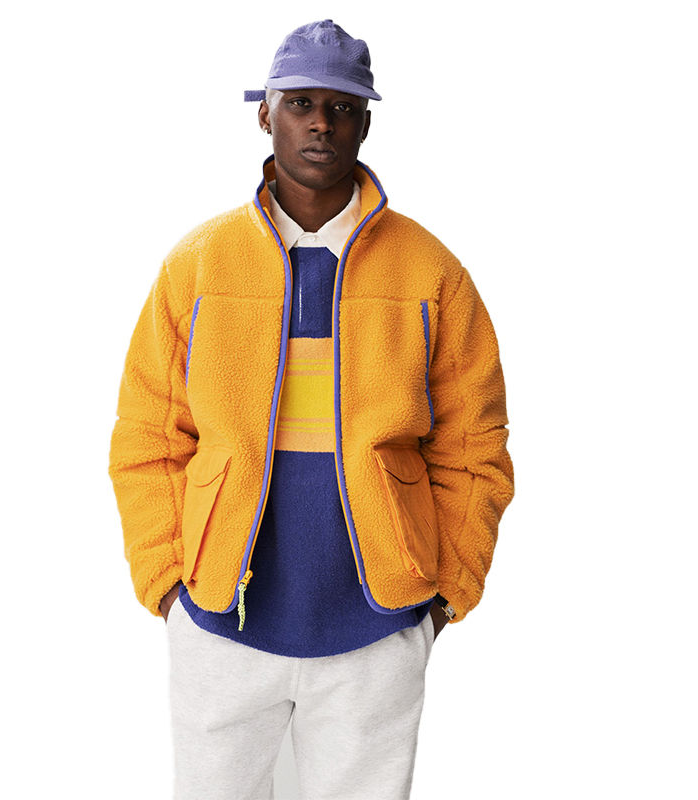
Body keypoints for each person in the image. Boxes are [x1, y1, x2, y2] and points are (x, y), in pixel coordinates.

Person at [108, 19, 514, 800]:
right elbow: (148, 438)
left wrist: (443, 598)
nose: (321, 123)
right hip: (220, 623)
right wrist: (167, 585)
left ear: (365, 122)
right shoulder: (197, 266)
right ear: (265, 115)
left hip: (378, 626)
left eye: (342, 107)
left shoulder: (432, 274)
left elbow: (475, 447)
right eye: (300, 103)